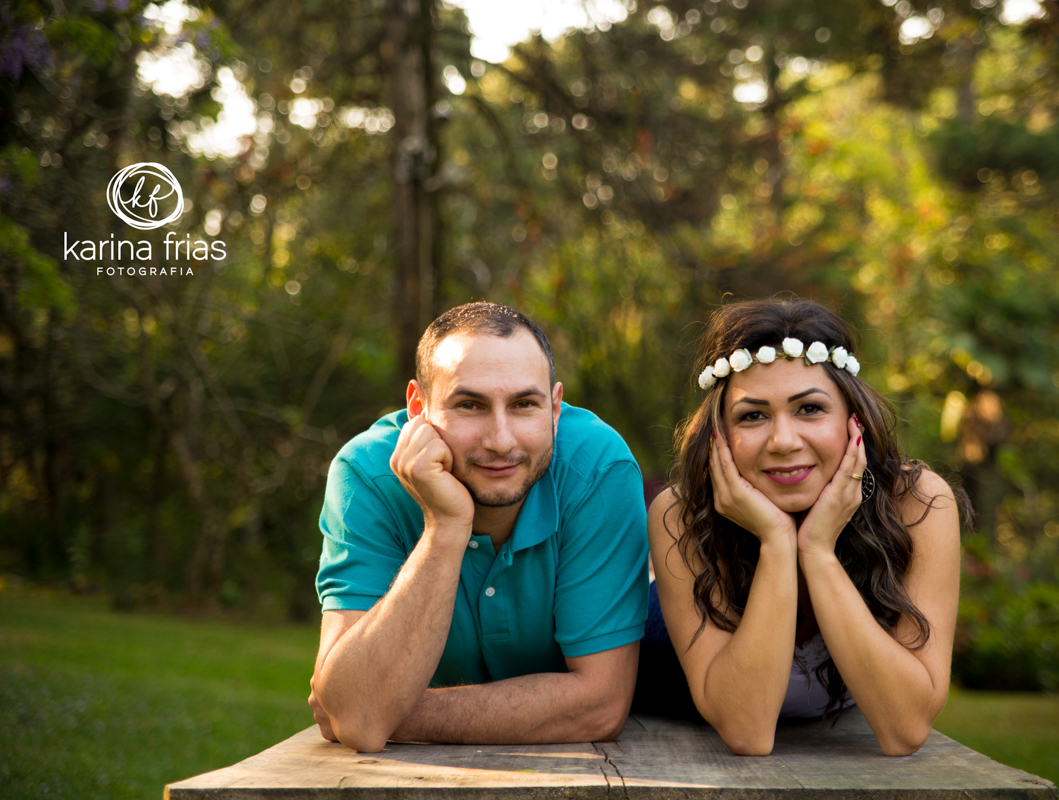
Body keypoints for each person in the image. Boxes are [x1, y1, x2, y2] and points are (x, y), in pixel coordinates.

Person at [635, 298, 970, 757]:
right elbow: (747, 732)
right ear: (720, 435)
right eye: (752, 415)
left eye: (809, 409)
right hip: (661, 667)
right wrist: (776, 542)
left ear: (854, 420)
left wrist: (817, 550)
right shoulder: (681, 514)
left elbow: (904, 729)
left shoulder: (917, 504)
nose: (784, 441)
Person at [308, 302, 649, 753]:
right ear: (418, 408)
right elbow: (355, 714)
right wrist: (445, 528)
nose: (501, 441)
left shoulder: (598, 468)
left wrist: (387, 710)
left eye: (525, 404)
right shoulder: (367, 474)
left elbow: (601, 705)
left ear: (556, 408)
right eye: (470, 405)